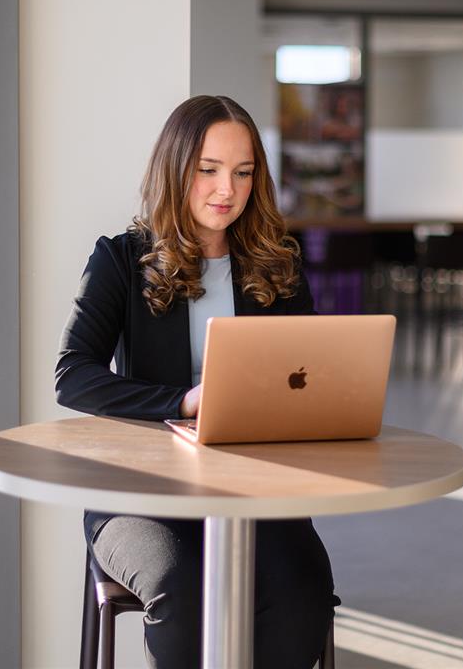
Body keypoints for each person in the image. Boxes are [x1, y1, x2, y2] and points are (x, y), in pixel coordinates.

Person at [56, 95, 339, 669]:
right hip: (140, 495)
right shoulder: (120, 260)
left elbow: (309, 378)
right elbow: (73, 375)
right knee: (181, 590)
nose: (226, 191)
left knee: (302, 594)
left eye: (242, 173)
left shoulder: (278, 266)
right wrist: (184, 401)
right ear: (175, 168)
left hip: (254, 491)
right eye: (207, 170)